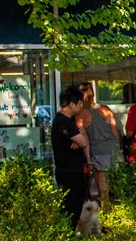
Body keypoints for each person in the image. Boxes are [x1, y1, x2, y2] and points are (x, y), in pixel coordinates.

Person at [76, 82, 122, 207]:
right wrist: (119, 148)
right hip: (113, 149)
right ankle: (121, 214)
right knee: (117, 185)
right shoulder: (105, 109)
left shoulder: (81, 115)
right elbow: (115, 131)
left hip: (98, 152)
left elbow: (82, 136)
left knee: (103, 189)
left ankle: (107, 216)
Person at [51, 85, 89, 229]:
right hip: (69, 172)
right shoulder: (63, 122)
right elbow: (84, 142)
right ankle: (67, 233)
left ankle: (69, 232)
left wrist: (78, 140)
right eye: (80, 103)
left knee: (73, 204)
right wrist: (80, 138)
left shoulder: (68, 121)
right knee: (71, 206)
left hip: (72, 170)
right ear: (72, 104)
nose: (81, 107)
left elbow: (80, 141)